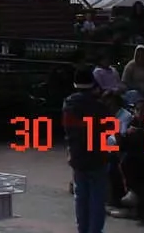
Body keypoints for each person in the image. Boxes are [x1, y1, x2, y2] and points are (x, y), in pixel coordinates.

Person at [63, 65, 109, 233]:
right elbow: (108, 127)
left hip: (77, 154)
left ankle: (82, 229)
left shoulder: (68, 104)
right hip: (98, 154)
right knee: (97, 198)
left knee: (81, 197)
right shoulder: (99, 105)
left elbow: (69, 130)